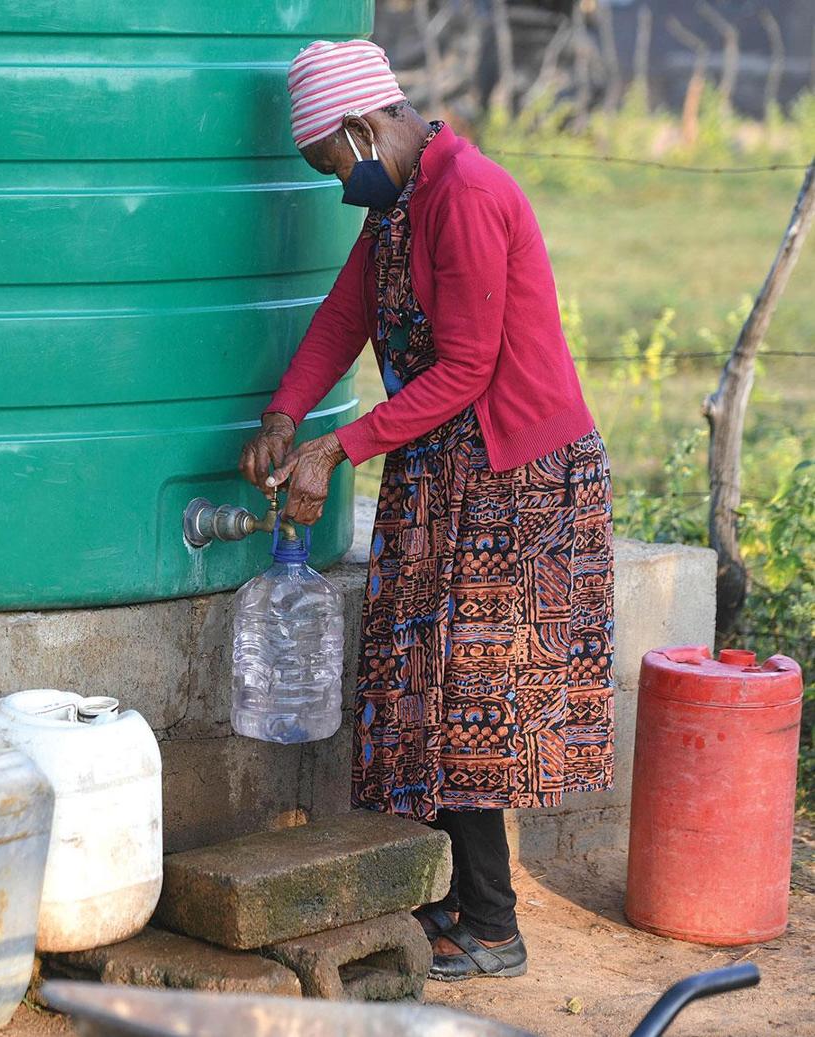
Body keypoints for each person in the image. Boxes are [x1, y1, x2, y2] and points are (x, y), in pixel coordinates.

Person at [239, 39, 615, 982]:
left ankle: (492, 925)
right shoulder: (401, 206)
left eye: (334, 164)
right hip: (445, 464)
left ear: (365, 126)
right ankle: (449, 901)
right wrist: (285, 415)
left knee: (471, 703)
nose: (339, 186)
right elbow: (343, 318)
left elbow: (469, 367)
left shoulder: (466, 194)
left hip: (517, 480)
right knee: (423, 692)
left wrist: (337, 447)